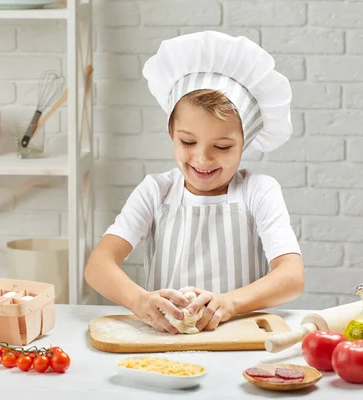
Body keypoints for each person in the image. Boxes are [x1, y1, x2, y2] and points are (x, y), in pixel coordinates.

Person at [84, 31, 304, 335]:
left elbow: (292, 277)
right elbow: (98, 265)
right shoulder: (156, 191)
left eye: (223, 147)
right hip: (163, 339)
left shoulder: (259, 191)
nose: (202, 158)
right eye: (188, 141)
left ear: (245, 144)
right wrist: (140, 301)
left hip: (239, 337)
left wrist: (229, 304)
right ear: (171, 134)